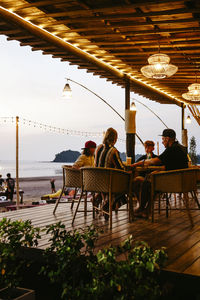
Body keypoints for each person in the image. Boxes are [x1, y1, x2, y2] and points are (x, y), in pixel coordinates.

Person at [132, 129, 188, 218]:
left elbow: (155, 161)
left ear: (167, 139)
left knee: (148, 181)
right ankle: (146, 210)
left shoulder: (172, 149)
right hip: (183, 180)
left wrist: (139, 163)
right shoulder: (180, 148)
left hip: (174, 181)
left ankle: (142, 208)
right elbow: (172, 165)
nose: (162, 142)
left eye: (162, 139)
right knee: (151, 178)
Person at [95, 128, 126, 217]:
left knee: (111, 182)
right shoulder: (113, 151)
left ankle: (99, 197)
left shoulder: (98, 148)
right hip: (107, 184)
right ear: (115, 138)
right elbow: (121, 169)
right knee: (126, 184)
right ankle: (108, 204)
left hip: (95, 182)